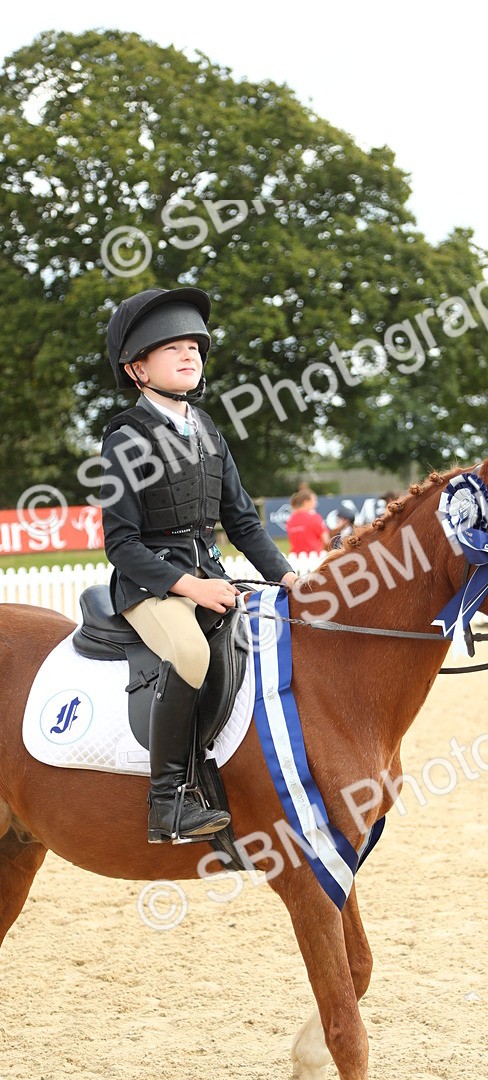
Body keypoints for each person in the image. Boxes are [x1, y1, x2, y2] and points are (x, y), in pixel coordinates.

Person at [101, 286, 298, 845]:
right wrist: (190, 586)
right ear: (137, 368)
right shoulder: (125, 439)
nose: (189, 354)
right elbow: (121, 544)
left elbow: (243, 523)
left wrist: (286, 577)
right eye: (171, 347)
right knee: (188, 651)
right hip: (151, 586)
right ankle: (168, 801)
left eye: (194, 345)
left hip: (210, 576)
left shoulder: (209, 430)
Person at [285, 487, 329, 554]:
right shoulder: (314, 517)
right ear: (306, 502)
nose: (316, 503)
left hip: (295, 558)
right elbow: (325, 540)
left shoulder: (290, 520)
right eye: (314, 500)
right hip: (314, 557)